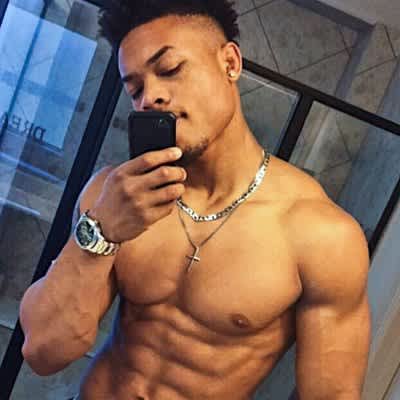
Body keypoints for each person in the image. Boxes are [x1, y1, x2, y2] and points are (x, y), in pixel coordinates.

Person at [19, 1, 371, 399]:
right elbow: (44, 352)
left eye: (170, 69)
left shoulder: (321, 234)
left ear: (230, 63)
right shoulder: (116, 196)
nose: (150, 97)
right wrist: (100, 231)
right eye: (135, 89)